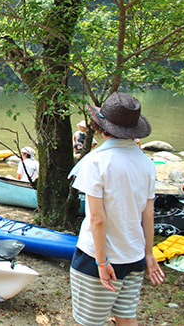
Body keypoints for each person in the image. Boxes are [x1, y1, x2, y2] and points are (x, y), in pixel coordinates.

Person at [69, 92, 164, 326]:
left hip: (98, 257)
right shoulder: (146, 163)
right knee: (126, 317)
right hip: (134, 256)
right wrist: (149, 253)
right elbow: (148, 213)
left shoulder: (97, 162)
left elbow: (98, 219)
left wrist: (101, 262)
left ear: (103, 128)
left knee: (90, 322)